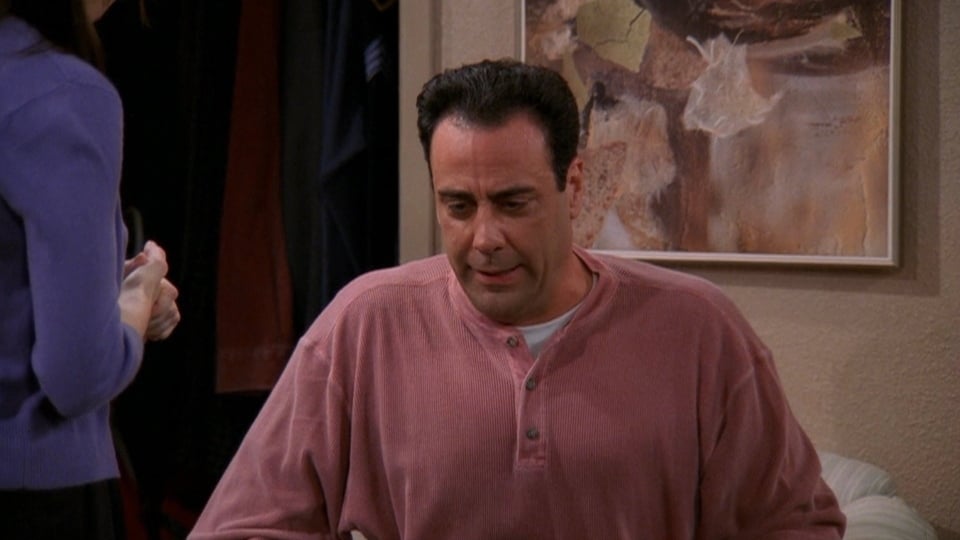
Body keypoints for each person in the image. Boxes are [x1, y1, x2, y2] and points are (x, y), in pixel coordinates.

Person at [189, 59, 845, 539]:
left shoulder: (697, 329)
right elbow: (242, 526)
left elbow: (796, 525)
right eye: (458, 206)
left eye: (512, 203)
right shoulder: (364, 325)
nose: (484, 239)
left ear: (574, 185)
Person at [0, 0, 180, 538]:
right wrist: (137, 298)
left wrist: (93, 291)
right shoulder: (61, 92)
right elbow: (78, 372)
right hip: (36, 494)